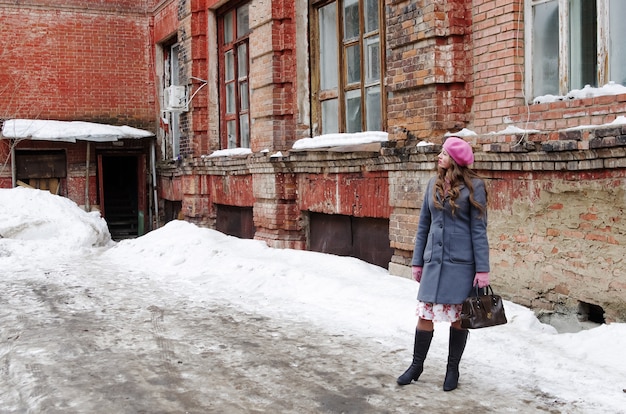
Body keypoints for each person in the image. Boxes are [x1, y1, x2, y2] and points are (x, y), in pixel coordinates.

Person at [397, 136, 490, 391]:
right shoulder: (432, 184)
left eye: (444, 153)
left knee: (458, 318)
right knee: (425, 315)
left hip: (461, 265)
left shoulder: (475, 187)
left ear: (456, 160)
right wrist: (417, 262)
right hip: (433, 264)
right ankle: (416, 366)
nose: (440, 156)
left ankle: (452, 370)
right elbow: (423, 225)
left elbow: (479, 230)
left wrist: (483, 269)